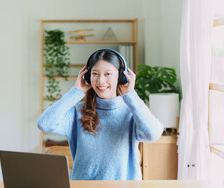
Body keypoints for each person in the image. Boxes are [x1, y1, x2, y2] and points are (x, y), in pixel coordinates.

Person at [37, 49, 163, 180]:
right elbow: (44, 124)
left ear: (121, 77)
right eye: (95, 74)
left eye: (108, 74)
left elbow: (152, 134)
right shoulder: (77, 112)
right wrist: (75, 92)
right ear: (87, 77)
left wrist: (131, 95)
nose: (100, 81)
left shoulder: (132, 111)